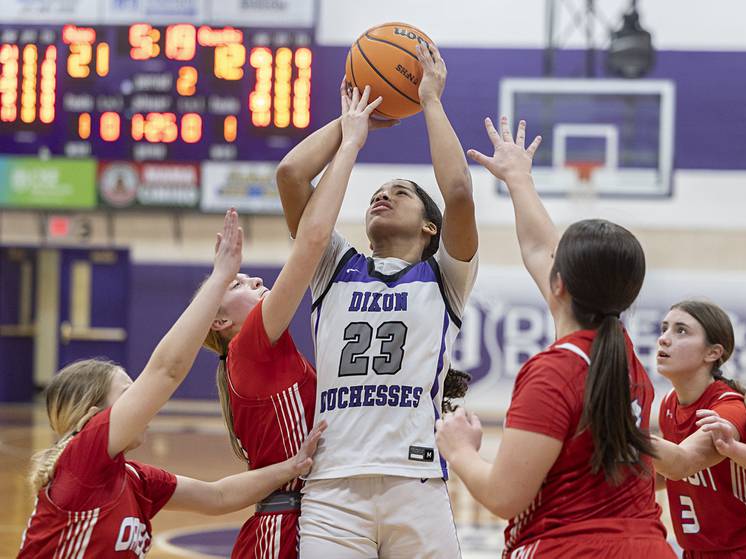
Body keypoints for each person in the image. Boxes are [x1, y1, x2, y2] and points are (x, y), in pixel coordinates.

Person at [18, 210, 325, 558]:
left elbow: (218, 496)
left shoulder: (134, 478)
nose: (142, 401)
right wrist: (220, 277)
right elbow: (166, 370)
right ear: (94, 416)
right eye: (128, 393)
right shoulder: (82, 459)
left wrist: (292, 466)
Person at [435, 116, 675, 558]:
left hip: (572, 549)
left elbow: (505, 497)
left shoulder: (554, 372)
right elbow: (541, 249)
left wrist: (460, 451)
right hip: (648, 547)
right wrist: (517, 179)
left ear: (558, 285)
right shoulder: (621, 353)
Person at [276, 44, 478, 557]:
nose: (380, 196)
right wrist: (349, 129)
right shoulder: (333, 264)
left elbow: (458, 192)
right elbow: (292, 175)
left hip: (417, 483)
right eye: (376, 194)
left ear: (430, 227)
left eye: (400, 193)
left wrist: (429, 99)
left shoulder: (444, 276)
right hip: (333, 487)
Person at [201, 86, 384, 558]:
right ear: (220, 319)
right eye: (239, 283)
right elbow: (312, 240)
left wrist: (349, 123)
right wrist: (351, 143)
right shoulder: (250, 347)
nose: (255, 279)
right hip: (281, 528)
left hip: (310, 515)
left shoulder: (257, 354)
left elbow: (289, 173)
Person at [651, 299, 746, 557]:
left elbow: (680, 464)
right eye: (664, 328)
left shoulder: (728, 409)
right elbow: (667, 475)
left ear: (713, 353)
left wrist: (622, 429)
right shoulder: (668, 404)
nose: (664, 338)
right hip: (699, 551)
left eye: (680, 330)